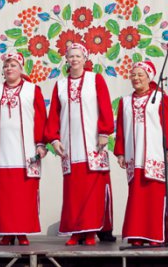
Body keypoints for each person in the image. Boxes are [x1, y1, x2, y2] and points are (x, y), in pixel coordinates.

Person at [0, 52, 47, 246]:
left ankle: (22, 232)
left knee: (23, 194)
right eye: (6, 65)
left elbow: (40, 118)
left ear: (21, 68)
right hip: (1, 151)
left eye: (13, 65)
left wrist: (41, 143)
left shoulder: (32, 90)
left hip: (25, 151)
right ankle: (6, 232)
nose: (9, 68)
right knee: (3, 194)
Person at [45, 43, 114, 246]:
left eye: (78, 56)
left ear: (85, 59)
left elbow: (105, 106)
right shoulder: (60, 84)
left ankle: (91, 230)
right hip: (70, 145)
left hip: (93, 144)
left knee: (93, 189)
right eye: (71, 56)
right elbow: (54, 115)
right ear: (66, 59)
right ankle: (76, 231)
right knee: (73, 192)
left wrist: (104, 131)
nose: (74, 59)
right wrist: (54, 139)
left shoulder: (95, 80)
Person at [114, 61, 168, 246]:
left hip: (154, 153)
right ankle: (136, 235)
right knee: (136, 197)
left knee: (154, 196)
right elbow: (121, 129)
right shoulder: (125, 101)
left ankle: (155, 235)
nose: (136, 78)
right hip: (134, 154)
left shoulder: (159, 97)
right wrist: (120, 153)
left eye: (140, 75)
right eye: (133, 75)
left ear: (150, 77)